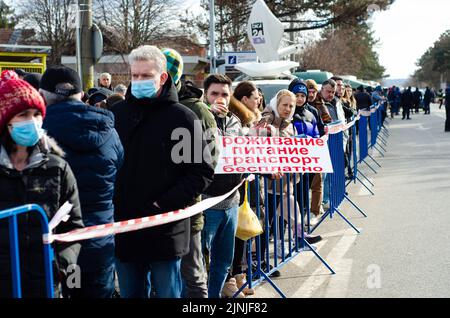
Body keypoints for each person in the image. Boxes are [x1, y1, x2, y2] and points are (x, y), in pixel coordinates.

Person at [111, 45, 214, 298]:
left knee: (169, 293)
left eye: (145, 76)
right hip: (124, 228)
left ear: (163, 77)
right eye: (134, 76)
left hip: (166, 229)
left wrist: (163, 204)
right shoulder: (116, 115)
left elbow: (201, 171)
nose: (138, 81)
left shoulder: (184, 118)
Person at [40, 66, 124, 298]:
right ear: (81, 94)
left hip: (54, 244)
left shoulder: (38, 132)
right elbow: (119, 169)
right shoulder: (110, 130)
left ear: (43, 95)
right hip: (99, 239)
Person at [0, 76, 84, 298]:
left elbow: (73, 227)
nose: (33, 121)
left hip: (45, 281)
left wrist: (62, 265)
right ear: (6, 121)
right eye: (23, 115)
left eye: (37, 114)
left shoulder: (57, 167)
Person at [162, 48, 218, 299]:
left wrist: (181, 192)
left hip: (186, 209)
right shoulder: (146, 107)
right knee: (162, 280)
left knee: (192, 275)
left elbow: (208, 162)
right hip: (153, 212)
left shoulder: (196, 111)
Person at [201, 74, 243, 298]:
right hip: (207, 202)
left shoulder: (235, 121)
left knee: (223, 262)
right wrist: (213, 120)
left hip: (232, 201)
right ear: (205, 95)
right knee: (201, 263)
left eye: (224, 94)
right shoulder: (197, 118)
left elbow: (241, 155)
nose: (220, 99)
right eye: (214, 94)